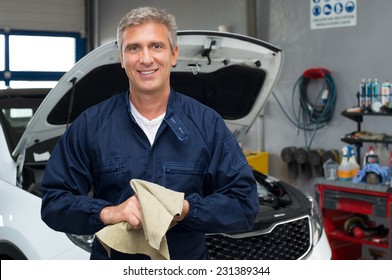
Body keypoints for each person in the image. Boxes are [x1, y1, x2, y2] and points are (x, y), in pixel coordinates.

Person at [41, 6, 259, 260]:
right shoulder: (91, 125)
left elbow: (244, 205)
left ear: (174, 54)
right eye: (134, 48)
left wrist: (186, 209)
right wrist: (108, 213)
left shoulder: (207, 124)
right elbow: (54, 203)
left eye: (156, 46)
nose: (146, 59)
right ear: (121, 58)